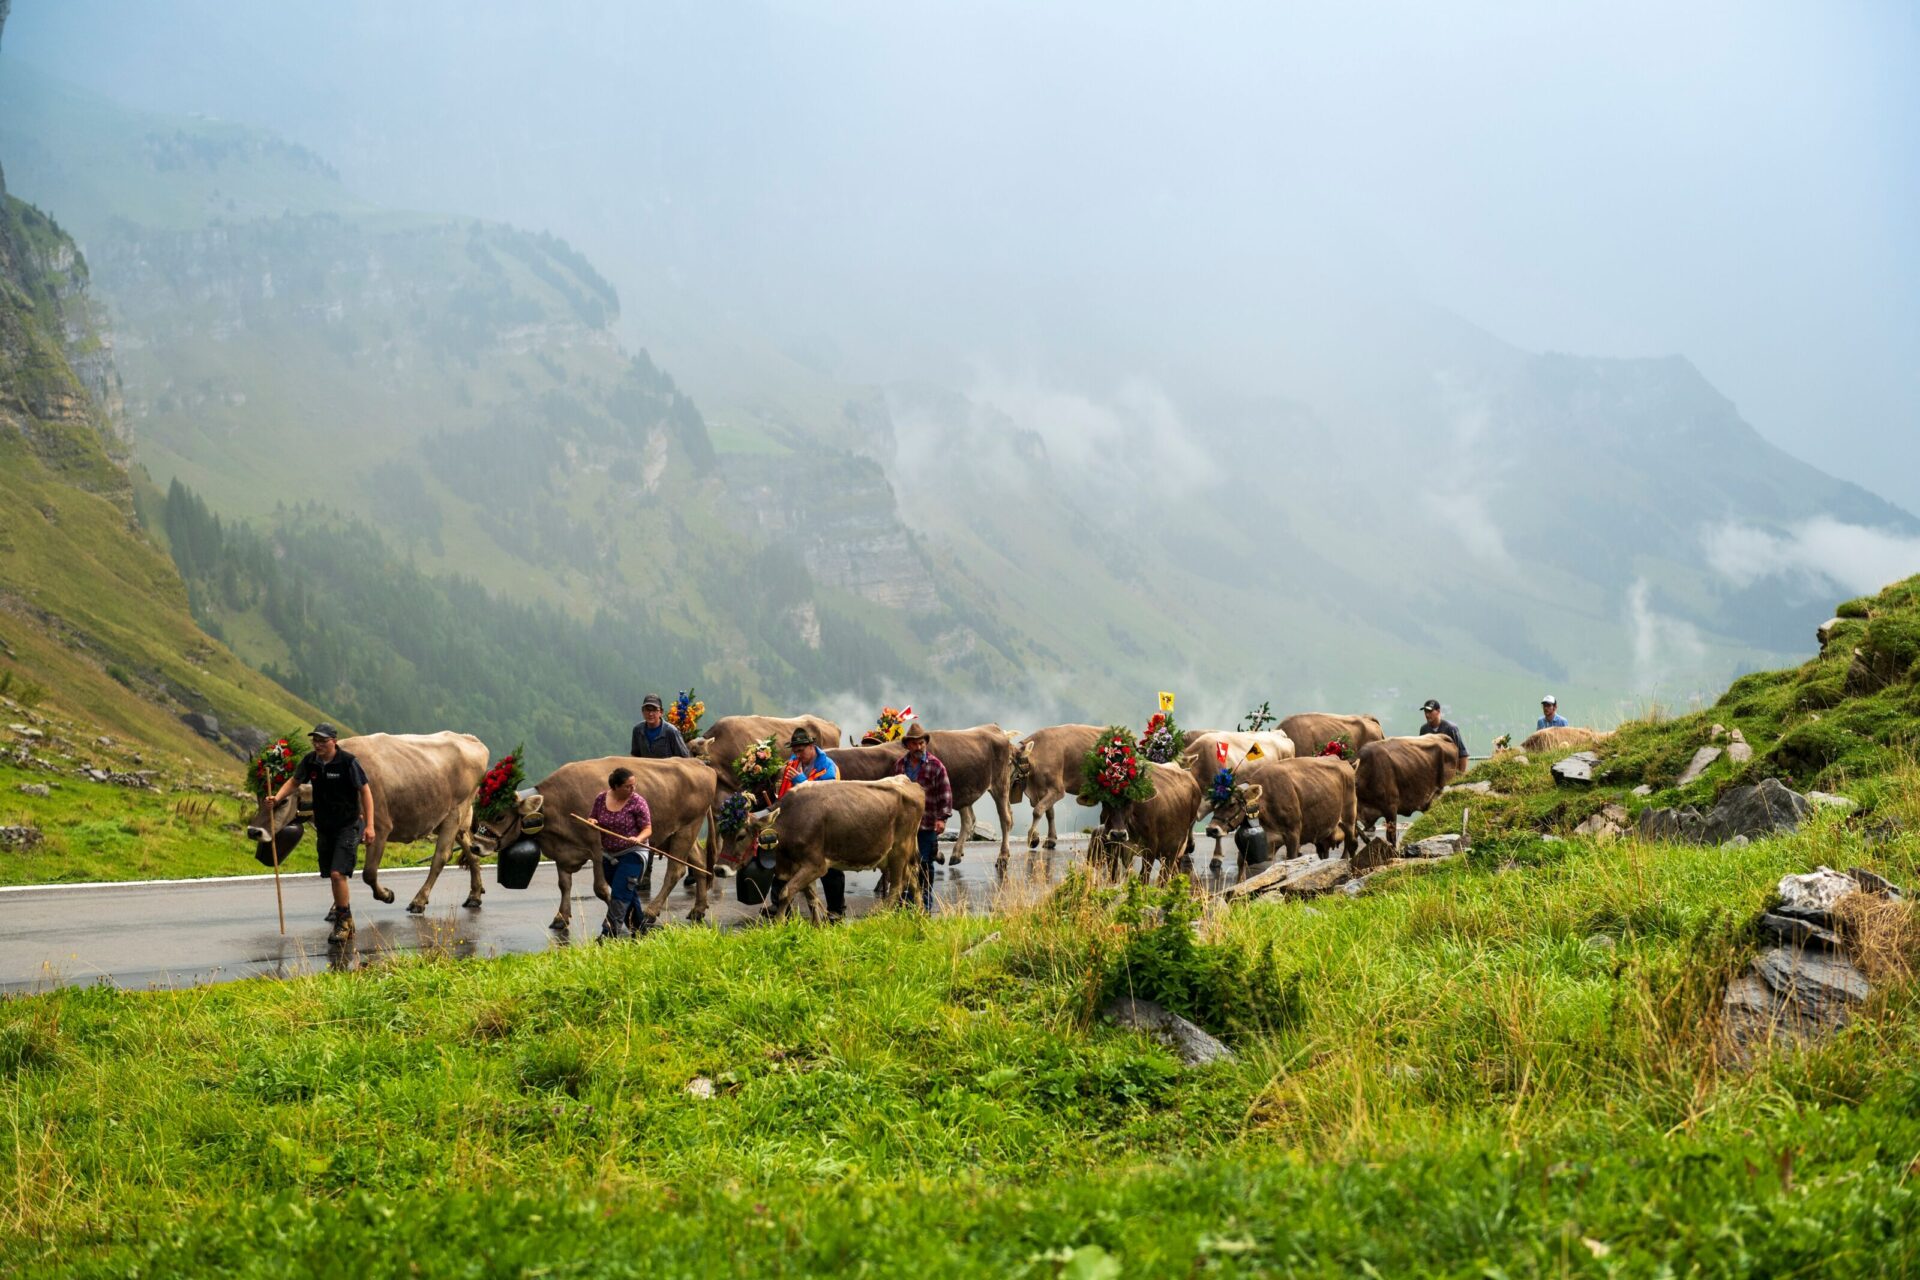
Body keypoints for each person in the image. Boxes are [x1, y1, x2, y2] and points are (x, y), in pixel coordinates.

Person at [267, 723, 373, 945]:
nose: (318, 745)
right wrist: (277, 798)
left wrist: (370, 825)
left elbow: (365, 791)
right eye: (315, 740)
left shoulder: (348, 762)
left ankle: (342, 922)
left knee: (337, 873)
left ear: (334, 741)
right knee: (331, 875)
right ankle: (347, 917)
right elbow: (295, 782)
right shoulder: (311, 761)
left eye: (322, 741)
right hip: (325, 826)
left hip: (348, 825)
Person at [773, 727, 845, 918]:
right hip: (802, 822)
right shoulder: (794, 762)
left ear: (812, 747)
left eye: (801, 750)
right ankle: (777, 905)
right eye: (795, 751)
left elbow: (828, 791)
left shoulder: (828, 766)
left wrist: (802, 781)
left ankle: (836, 910)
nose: (797, 755)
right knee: (785, 860)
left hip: (827, 822)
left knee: (831, 867)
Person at [890, 722, 952, 912]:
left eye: (921, 743)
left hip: (927, 824)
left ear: (925, 743)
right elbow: (893, 793)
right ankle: (906, 905)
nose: (918, 747)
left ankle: (924, 905)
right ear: (908, 745)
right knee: (904, 863)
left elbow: (945, 793)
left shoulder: (935, 766)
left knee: (924, 864)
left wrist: (942, 818)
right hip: (904, 826)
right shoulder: (900, 765)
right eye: (914, 744)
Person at [591, 766, 653, 939]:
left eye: (634, 785)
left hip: (633, 852)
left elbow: (648, 829)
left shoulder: (637, 801)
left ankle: (608, 935)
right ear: (615, 787)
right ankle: (640, 933)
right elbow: (593, 817)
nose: (633, 789)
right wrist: (592, 822)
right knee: (627, 893)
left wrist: (639, 838)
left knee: (620, 893)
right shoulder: (601, 799)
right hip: (609, 854)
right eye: (628, 786)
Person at [629, 693, 691, 759]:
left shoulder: (671, 731)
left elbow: (685, 758)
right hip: (644, 769)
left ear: (661, 712)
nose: (650, 714)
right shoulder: (638, 730)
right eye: (647, 709)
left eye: (654, 709)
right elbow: (635, 756)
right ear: (642, 711)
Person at [1417, 699, 1470, 768]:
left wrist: (1461, 776)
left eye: (1430, 711)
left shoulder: (1451, 728)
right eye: (1425, 711)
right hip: (1431, 772)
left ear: (1438, 711)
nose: (1427, 714)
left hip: (1449, 771)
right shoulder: (1424, 729)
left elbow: (1463, 754)